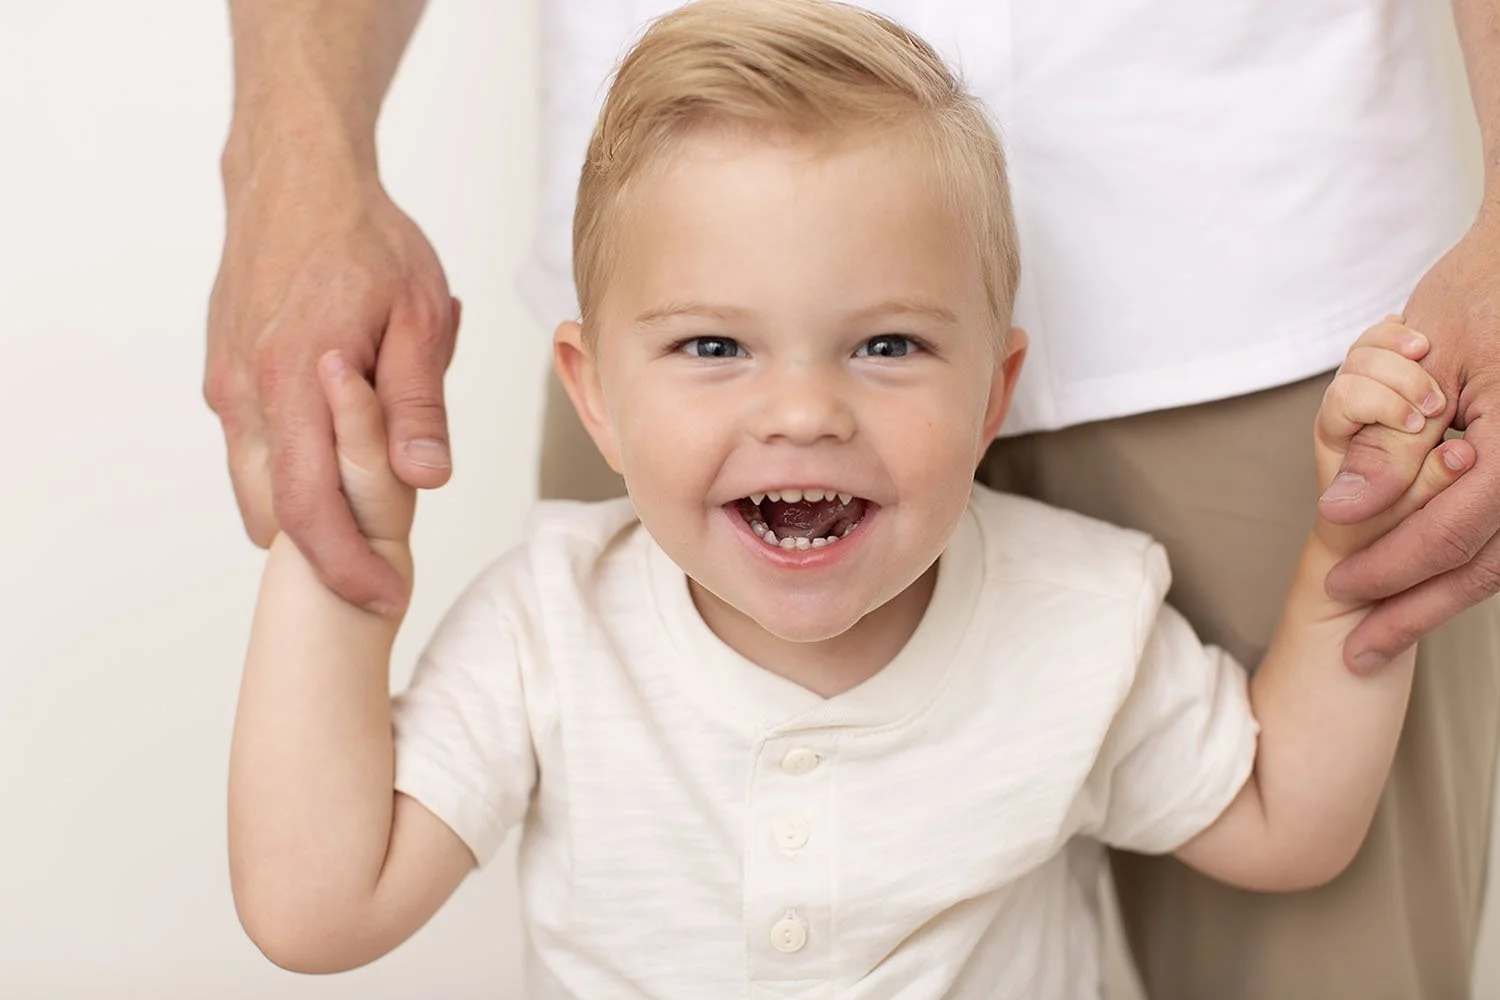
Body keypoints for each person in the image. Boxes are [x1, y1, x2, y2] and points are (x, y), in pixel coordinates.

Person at [207, 0, 1500, 997]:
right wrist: (343, 565)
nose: (803, 412)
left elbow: (1288, 822)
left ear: (991, 389)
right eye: (715, 347)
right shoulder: (549, 627)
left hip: (1258, 249)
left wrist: (1358, 535)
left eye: (883, 347)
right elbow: (317, 906)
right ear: (592, 391)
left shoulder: (1077, 615)